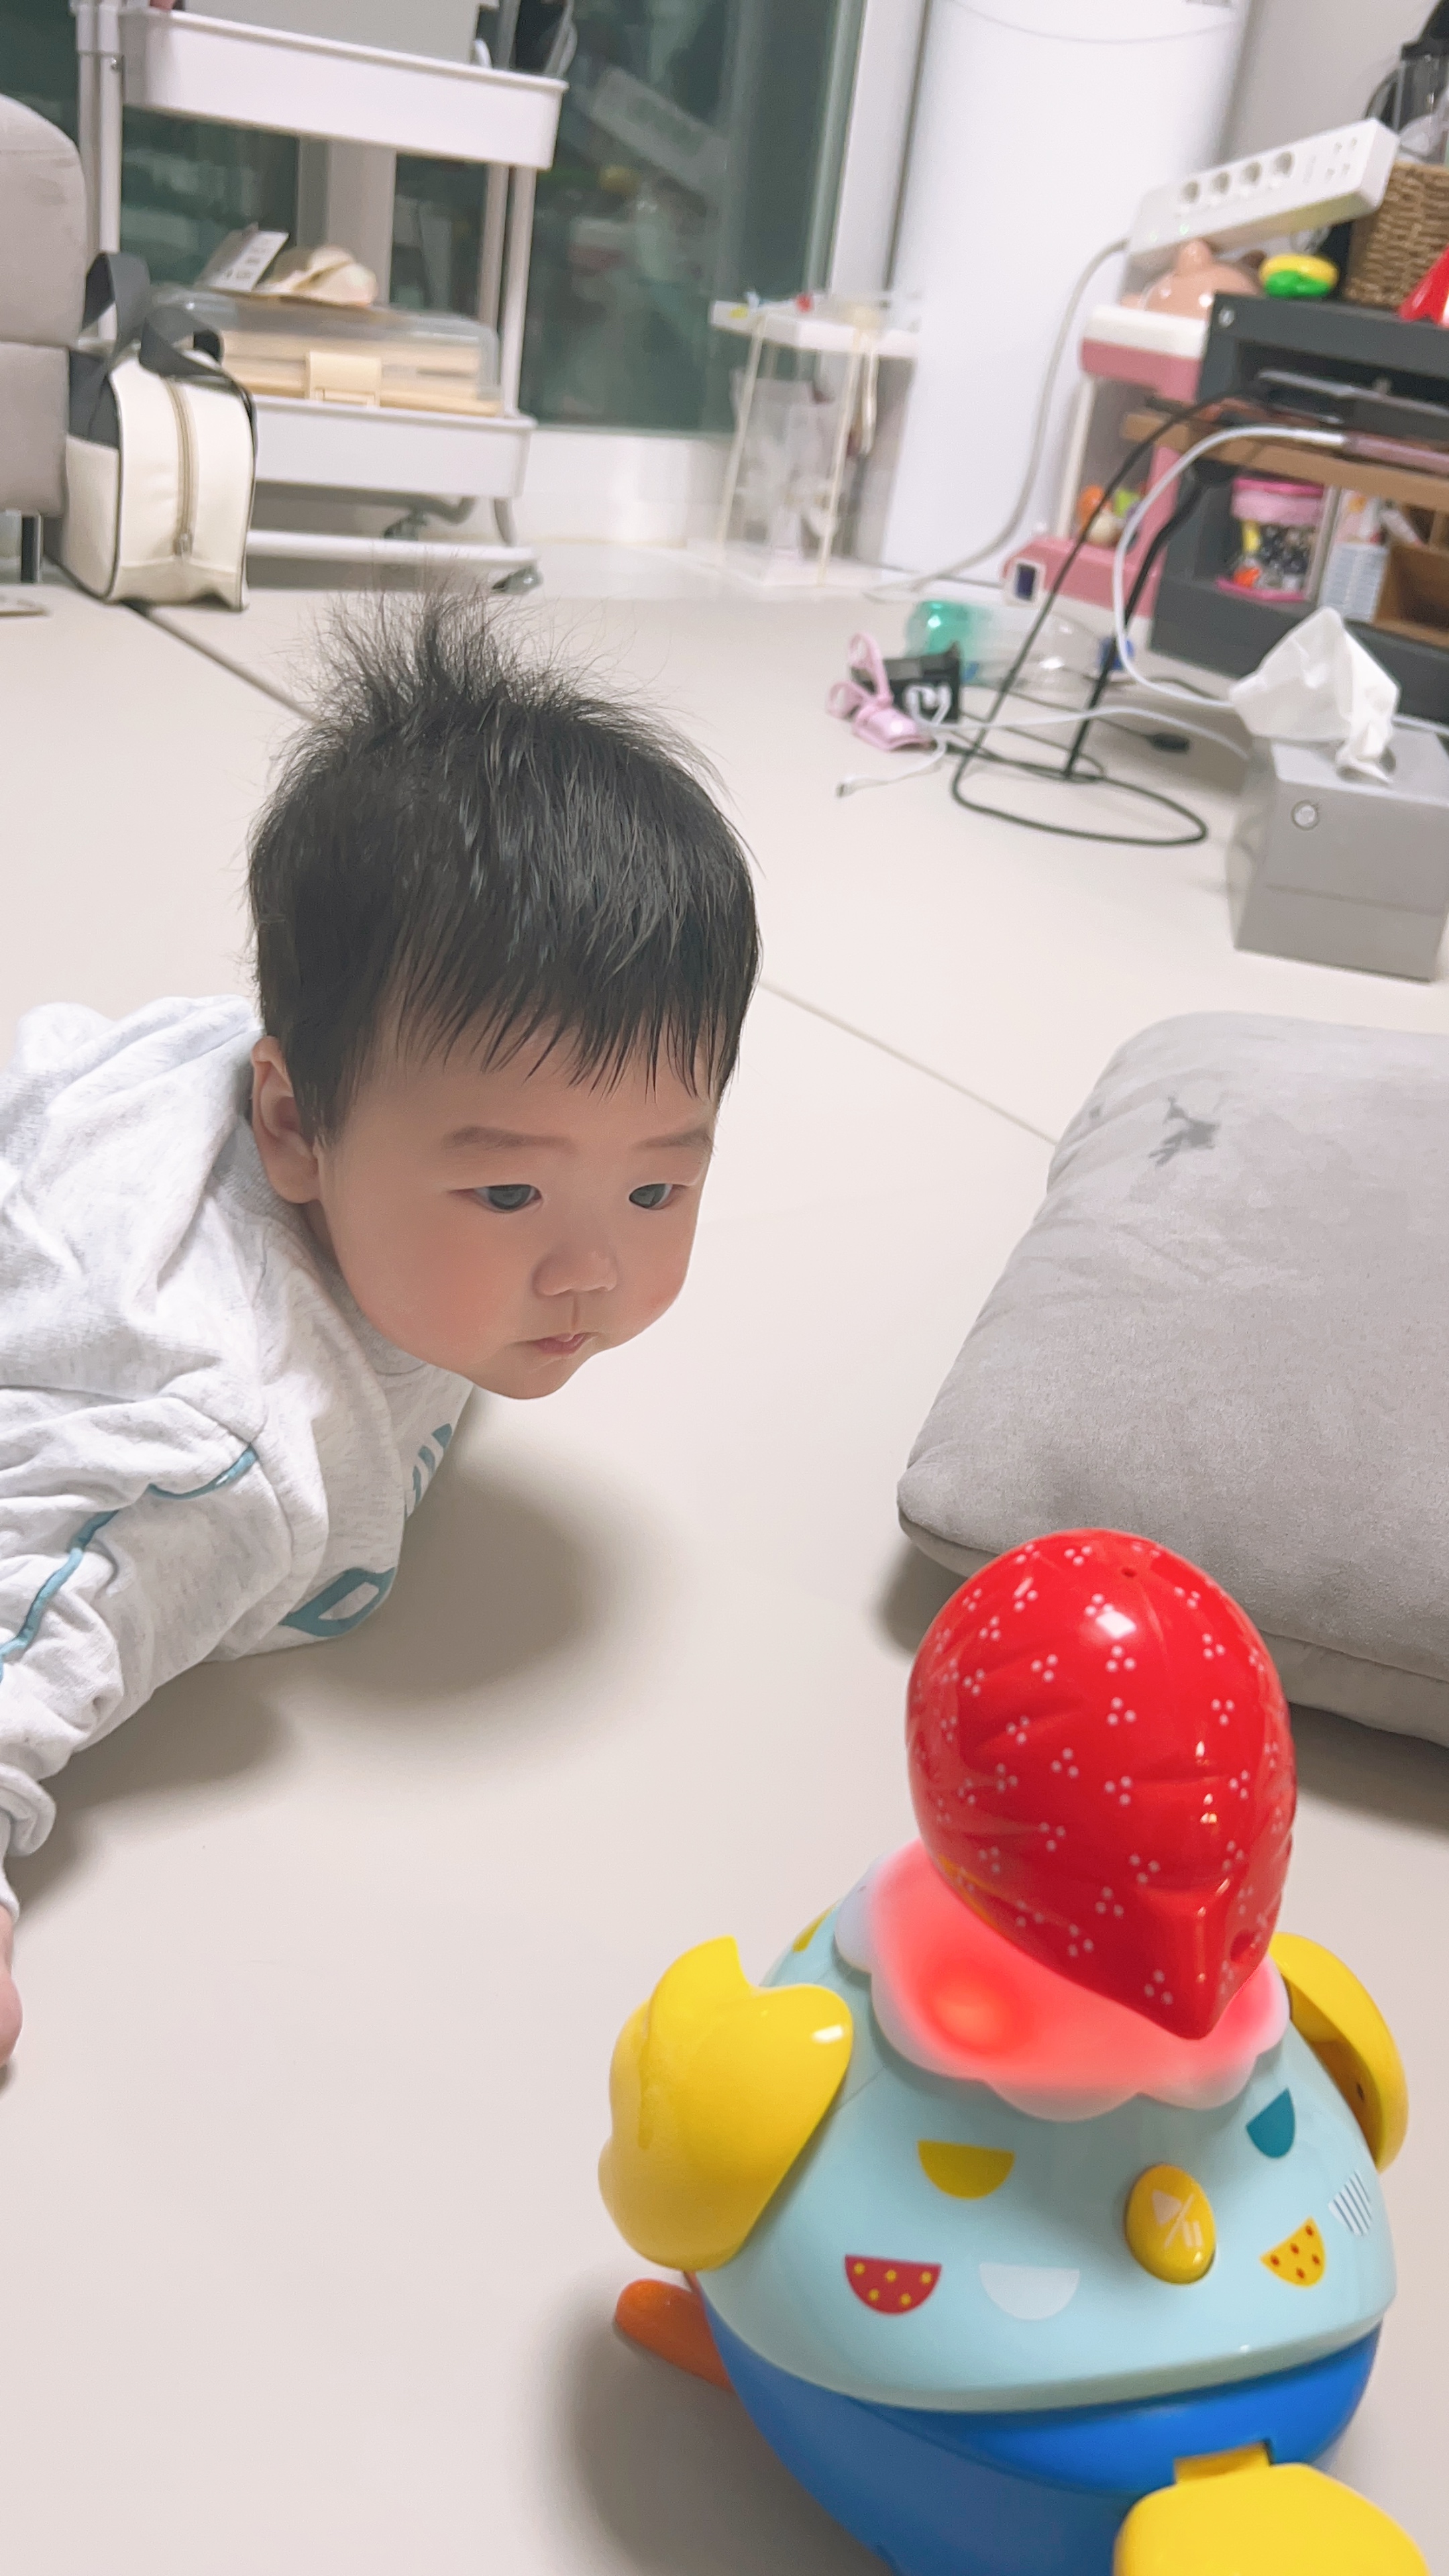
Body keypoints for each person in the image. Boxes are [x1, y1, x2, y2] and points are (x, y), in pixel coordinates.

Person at [0, 599, 760, 2061]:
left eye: (658, 1186)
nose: (589, 1269)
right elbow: (31, 1614)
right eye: (511, 1191)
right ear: (294, 1125)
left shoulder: (379, 1145)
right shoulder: (228, 1449)